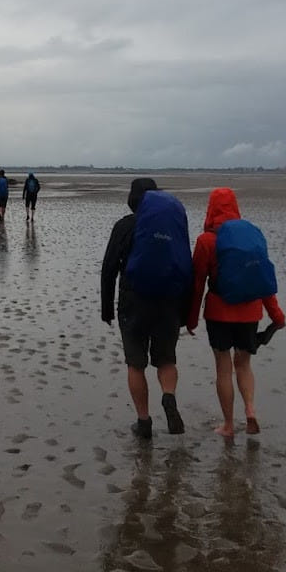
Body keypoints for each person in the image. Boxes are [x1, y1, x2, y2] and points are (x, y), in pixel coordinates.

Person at [186, 187, 286, 438]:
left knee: (223, 367)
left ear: (211, 209)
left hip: (219, 313)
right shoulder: (252, 236)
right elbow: (261, 279)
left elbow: (197, 283)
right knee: (243, 364)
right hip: (250, 313)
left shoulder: (206, 241)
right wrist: (276, 316)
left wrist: (191, 318)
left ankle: (229, 425)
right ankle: (250, 410)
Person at [100, 177, 188, 439]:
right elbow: (184, 265)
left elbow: (109, 269)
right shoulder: (173, 226)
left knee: (135, 363)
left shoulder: (124, 226)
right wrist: (185, 311)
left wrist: (106, 308)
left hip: (133, 301)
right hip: (169, 301)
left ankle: (144, 421)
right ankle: (169, 397)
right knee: (167, 359)